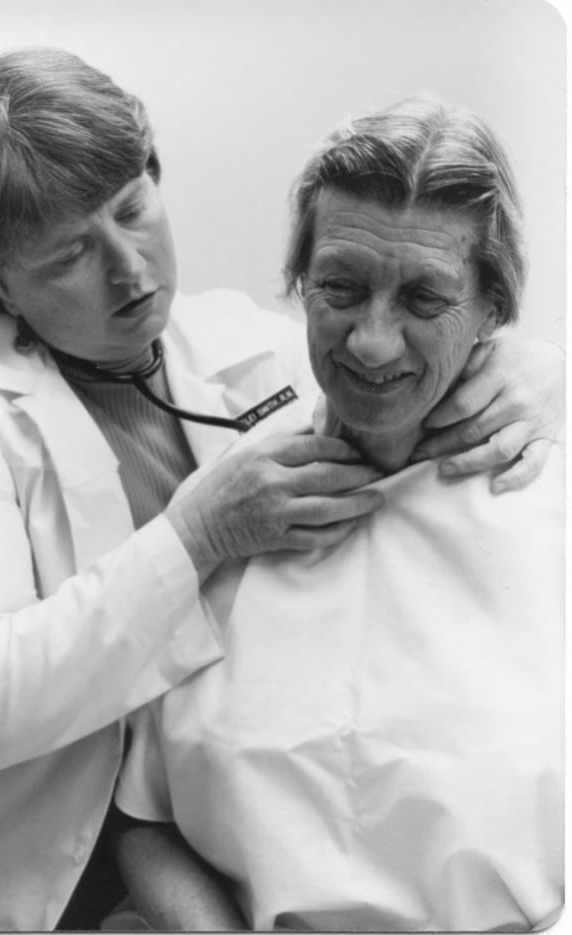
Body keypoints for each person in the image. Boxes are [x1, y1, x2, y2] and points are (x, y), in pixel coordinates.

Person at [0, 49, 561, 932]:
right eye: (69, 256)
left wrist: (533, 369)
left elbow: (387, 351)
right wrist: (200, 531)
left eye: (134, 209)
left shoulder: (239, 343)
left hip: (209, 831)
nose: (131, 269)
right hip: (46, 848)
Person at [113, 95, 564, 932]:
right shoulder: (231, 506)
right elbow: (143, 820)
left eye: (426, 300)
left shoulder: (550, 509)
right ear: (298, 286)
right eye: (341, 288)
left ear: (494, 312)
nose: (371, 342)